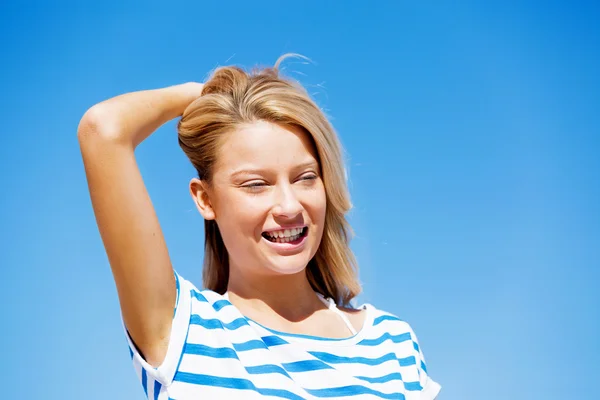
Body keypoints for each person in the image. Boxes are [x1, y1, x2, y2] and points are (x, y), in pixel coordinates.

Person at [78, 55, 441, 399]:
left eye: (305, 178)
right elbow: (103, 129)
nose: (289, 206)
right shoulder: (182, 331)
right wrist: (205, 93)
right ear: (205, 199)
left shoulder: (392, 344)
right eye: (256, 184)